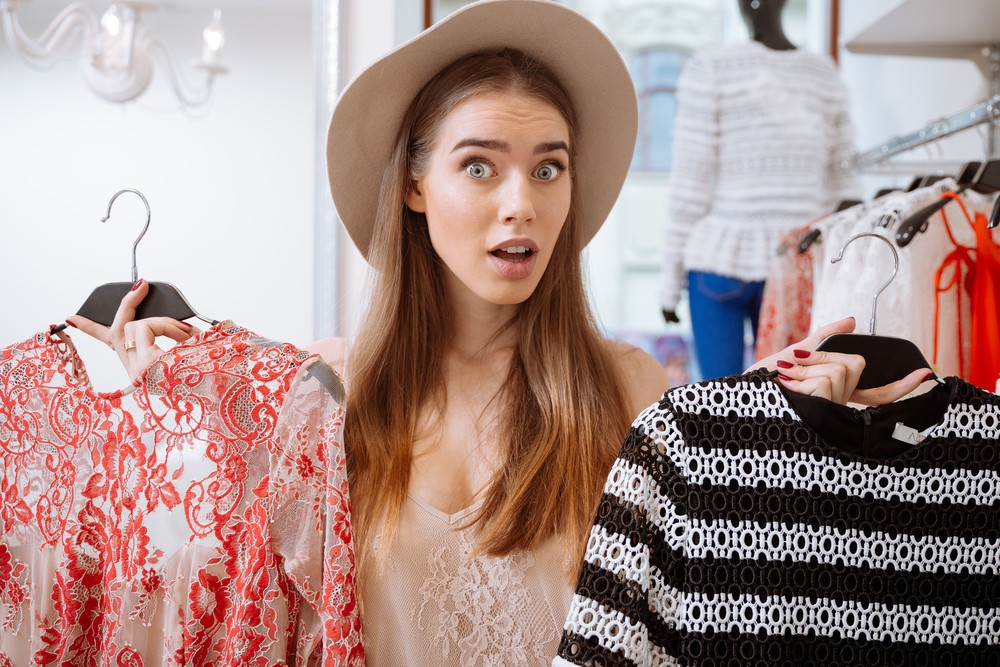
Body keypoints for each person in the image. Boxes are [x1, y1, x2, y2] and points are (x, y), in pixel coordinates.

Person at [67, 0, 931, 663]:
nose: (522, 202)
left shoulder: (631, 391)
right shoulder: (325, 395)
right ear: (414, 186)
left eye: (548, 167)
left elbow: (718, 603)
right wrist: (163, 425)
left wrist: (806, 436)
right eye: (478, 165)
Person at [659, 0, 860, 379]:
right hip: (794, 260)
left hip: (729, 260)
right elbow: (845, 180)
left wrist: (669, 284)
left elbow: (689, 183)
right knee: (790, 398)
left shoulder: (711, 67)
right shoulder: (823, 74)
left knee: (721, 399)